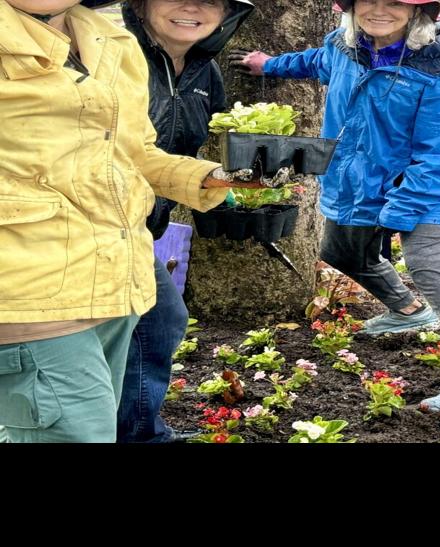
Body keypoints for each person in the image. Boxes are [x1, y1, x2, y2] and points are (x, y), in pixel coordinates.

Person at [233, 0, 440, 414]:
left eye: (395, 3)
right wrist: (269, 64)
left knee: (430, 263)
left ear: (419, 13)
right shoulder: (344, 47)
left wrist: (397, 215)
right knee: (339, 251)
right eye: (370, 0)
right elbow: (316, 61)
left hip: (427, 183)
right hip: (357, 173)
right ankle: (407, 310)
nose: (379, 10)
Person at [1, 0, 260, 443]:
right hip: (32, 292)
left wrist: (213, 177)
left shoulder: (112, 41)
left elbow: (134, 153)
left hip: (114, 272)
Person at [117, 0, 257, 443]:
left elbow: (187, 151)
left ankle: (132, 430)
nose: (193, 7)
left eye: (211, 0)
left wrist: (222, 192)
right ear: (140, 4)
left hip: (142, 228)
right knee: (153, 322)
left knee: (156, 323)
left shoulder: (204, 71)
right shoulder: (116, 54)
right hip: (98, 227)